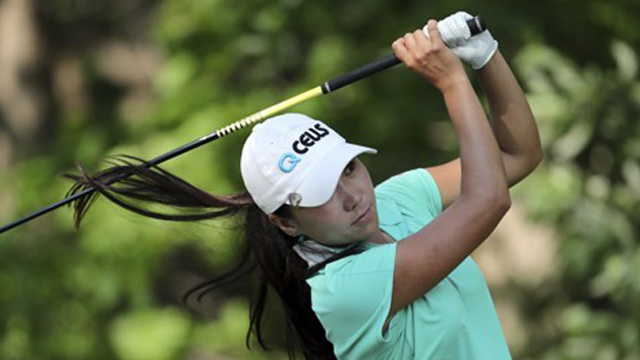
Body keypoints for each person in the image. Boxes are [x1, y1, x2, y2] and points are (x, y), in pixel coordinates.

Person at [68, 11, 542, 360]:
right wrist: (452, 83)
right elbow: (488, 199)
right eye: (323, 192)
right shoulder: (342, 289)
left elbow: (514, 158)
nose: (353, 195)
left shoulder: (396, 200)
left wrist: (484, 55)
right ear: (285, 223)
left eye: (349, 169)